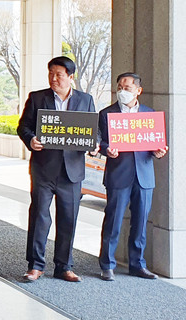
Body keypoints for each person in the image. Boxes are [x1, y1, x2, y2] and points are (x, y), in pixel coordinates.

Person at [17, 56, 95, 283]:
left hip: (72, 171)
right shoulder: (37, 97)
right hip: (43, 169)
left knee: (68, 219)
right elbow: (23, 126)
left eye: (59, 75)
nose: (54, 78)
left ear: (71, 77)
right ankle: (35, 265)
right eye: (51, 73)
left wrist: (94, 144)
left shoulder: (85, 100)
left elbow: (94, 131)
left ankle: (64, 266)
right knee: (40, 216)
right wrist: (31, 140)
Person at [98, 73, 168, 281]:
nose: (122, 91)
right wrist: (106, 149)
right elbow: (99, 141)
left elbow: (156, 144)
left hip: (144, 175)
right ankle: (107, 265)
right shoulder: (106, 113)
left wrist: (159, 151)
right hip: (118, 174)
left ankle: (137, 264)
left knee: (140, 222)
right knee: (113, 220)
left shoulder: (150, 114)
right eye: (120, 87)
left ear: (138, 90)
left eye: (127, 88)